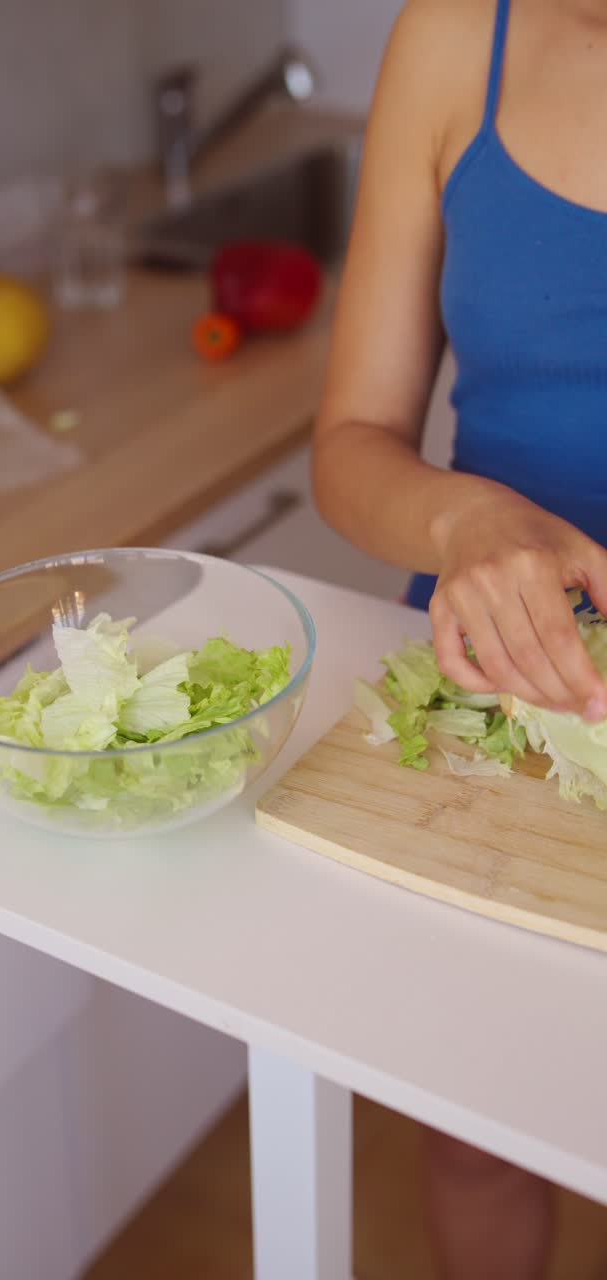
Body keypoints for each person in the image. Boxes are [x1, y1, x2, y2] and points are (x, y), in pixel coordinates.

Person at [312, 0, 607, 1275]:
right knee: (481, 1130)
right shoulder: (453, 37)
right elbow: (349, 442)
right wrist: (466, 517)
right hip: (492, 715)